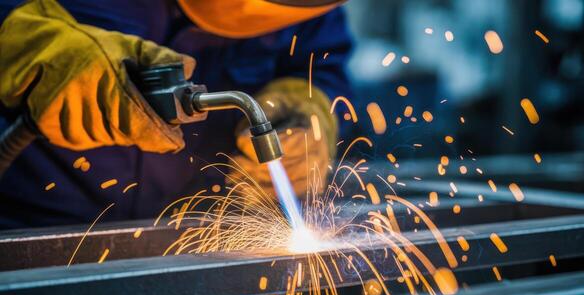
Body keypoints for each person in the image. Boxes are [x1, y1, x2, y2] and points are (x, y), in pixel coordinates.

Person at [0, 0, 353, 229]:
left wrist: (311, 106)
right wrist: (24, 41)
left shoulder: (314, 8)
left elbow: (324, 66)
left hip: (187, 243)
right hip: (27, 232)